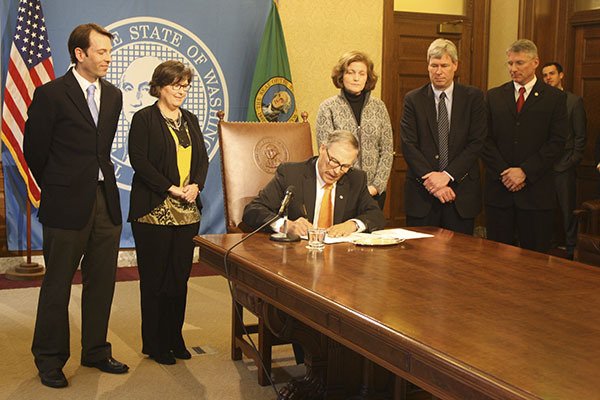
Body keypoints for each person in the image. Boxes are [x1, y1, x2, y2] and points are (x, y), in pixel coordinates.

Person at [23, 23, 128, 389]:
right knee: (57, 284)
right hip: (65, 204)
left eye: (109, 52)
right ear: (79, 54)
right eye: (101, 52)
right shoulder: (50, 94)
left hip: (105, 203)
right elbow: (34, 151)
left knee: (101, 283)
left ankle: (96, 350)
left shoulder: (113, 96)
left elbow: (102, 147)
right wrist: (60, 184)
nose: (107, 59)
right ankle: (50, 358)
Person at [128, 60, 209, 365]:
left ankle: (175, 337)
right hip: (154, 210)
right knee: (155, 280)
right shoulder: (144, 118)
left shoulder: (190, 119)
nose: (181, 91)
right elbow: (139, 161)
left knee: (179, 279)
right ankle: (155, 342)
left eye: (185, 85)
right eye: (175, 84)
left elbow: (202, 158)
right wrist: (171, 188)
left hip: (187, 212)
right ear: (159, 86)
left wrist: (196, 185)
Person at [482, 39, 567, 253]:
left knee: (534, 263)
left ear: (535, 62)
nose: (513, 69)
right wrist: (506, 173)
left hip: (536, 195)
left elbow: (557, 142)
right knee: (496, 260)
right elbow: (484, 140)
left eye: (519, 63)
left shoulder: (555, 98)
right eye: (510, 63)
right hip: (499, 194)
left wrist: (525, 172)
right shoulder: (494, 96)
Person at [401, 39, 487, 235]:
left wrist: (446, 176)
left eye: (444, 66)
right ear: (428, 66)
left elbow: (477, 142)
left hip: (460, 193)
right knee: (419, 259)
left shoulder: (473, 98)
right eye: (434, 65)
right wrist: (435, 183)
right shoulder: (413, 99)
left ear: (455, 66)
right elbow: (408, 144)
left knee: (459, 259)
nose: (438, 71)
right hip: (422, 193)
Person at [243, 130, 386, 238]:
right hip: (296, 257)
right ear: (322, 149)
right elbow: (253, 210)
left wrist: (352, 225)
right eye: (334, 161)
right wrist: (285, 226)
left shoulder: (355, 178)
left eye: (345, 166)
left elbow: (376, 215)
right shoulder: (291, 174)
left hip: (339, 258)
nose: (336, 171)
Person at [316, 51, 393, 209]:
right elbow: (325, 152)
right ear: (341, 76)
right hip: (341, 189)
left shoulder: (379, 107)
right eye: (351, 72)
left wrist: (377, 186)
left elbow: (387, 150)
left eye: (361, 73)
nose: (356, 78)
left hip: (374, 192)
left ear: (368, 77)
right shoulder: (328, 108)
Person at [542, 61, 587, 259]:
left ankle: (570, 248)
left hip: (564, 165)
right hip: (543, 167)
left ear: (561, 75)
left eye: (551, 73)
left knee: (567, 209)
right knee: (545, 208)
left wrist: (571, 161)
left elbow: (580, 137)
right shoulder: (540, 100)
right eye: (544, 75)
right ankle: (547, 244)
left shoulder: (573, 101)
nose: (548, 78)